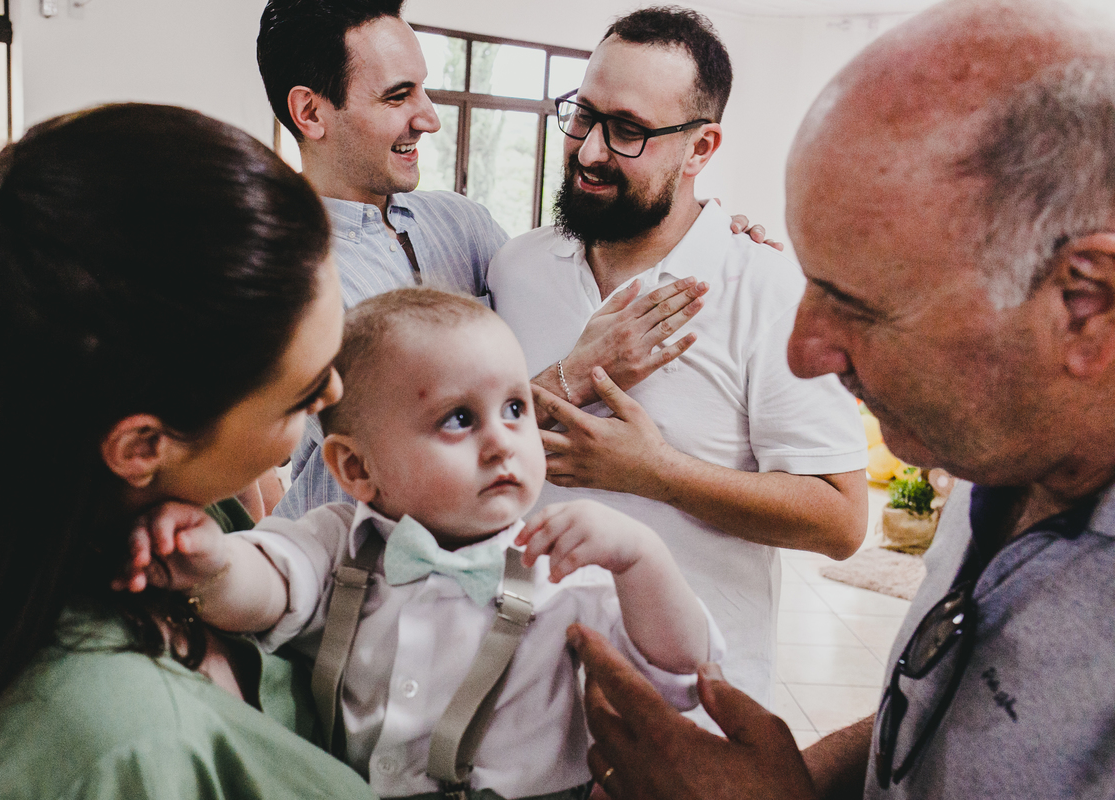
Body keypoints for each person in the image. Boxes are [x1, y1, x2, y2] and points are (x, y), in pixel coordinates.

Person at [568, 1, 1115, 798]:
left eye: (858, 303)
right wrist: (793, 778)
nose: (804, 352)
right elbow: (945, 717)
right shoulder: (1003, 456)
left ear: (1085, 303)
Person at [0, 103, 373, 800]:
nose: (334, 392)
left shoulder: (192, 515)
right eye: (302, 393)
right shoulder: (124, 746)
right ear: (143, 446)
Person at [122, 287, 724, 800]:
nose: (503, 442)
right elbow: (267, 587)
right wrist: (215, 567)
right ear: (357, 468)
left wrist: (641, 560)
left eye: (515, 408)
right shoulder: (337, 541)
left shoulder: (565, 565)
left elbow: (680, 671)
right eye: (458, 419)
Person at [487, 6, 868, 709]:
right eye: (582, 115)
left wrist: (656, 473)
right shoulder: (516, 267)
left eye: (628, 130)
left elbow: (841, 520)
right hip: (522, 696)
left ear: (700, 148)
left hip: (687, 711)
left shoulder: (766, 288)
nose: (589, 151)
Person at [257, 0, 767, 519]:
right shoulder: (274, 277)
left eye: (424, 89)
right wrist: (577, 374)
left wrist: (702, 232)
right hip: (341, 564)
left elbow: (548, 282)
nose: (430, 118)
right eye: (397, 96)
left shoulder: (463, 225)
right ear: (311, 113)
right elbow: (384, 460)